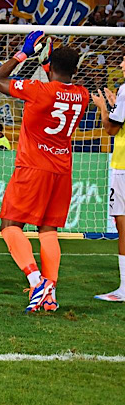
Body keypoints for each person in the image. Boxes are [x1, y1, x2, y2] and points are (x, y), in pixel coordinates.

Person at [0, 32, 90, 313]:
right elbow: (58, 81)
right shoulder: (82, 95)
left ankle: (36, 282)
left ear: (50, 66)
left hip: (33, 167)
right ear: (76, 70)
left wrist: (24, 53)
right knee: (48, 231)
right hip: (62, 170)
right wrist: (48, 60)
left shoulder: (38, 89)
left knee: (10, 227)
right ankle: (50, 293)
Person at [90, 58, 125, 302]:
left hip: (123, 167)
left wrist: (103, 107)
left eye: (124, 61)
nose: (121, 66)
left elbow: (112, 129)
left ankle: (123, 290)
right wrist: (116, 106)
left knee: (123, 228)